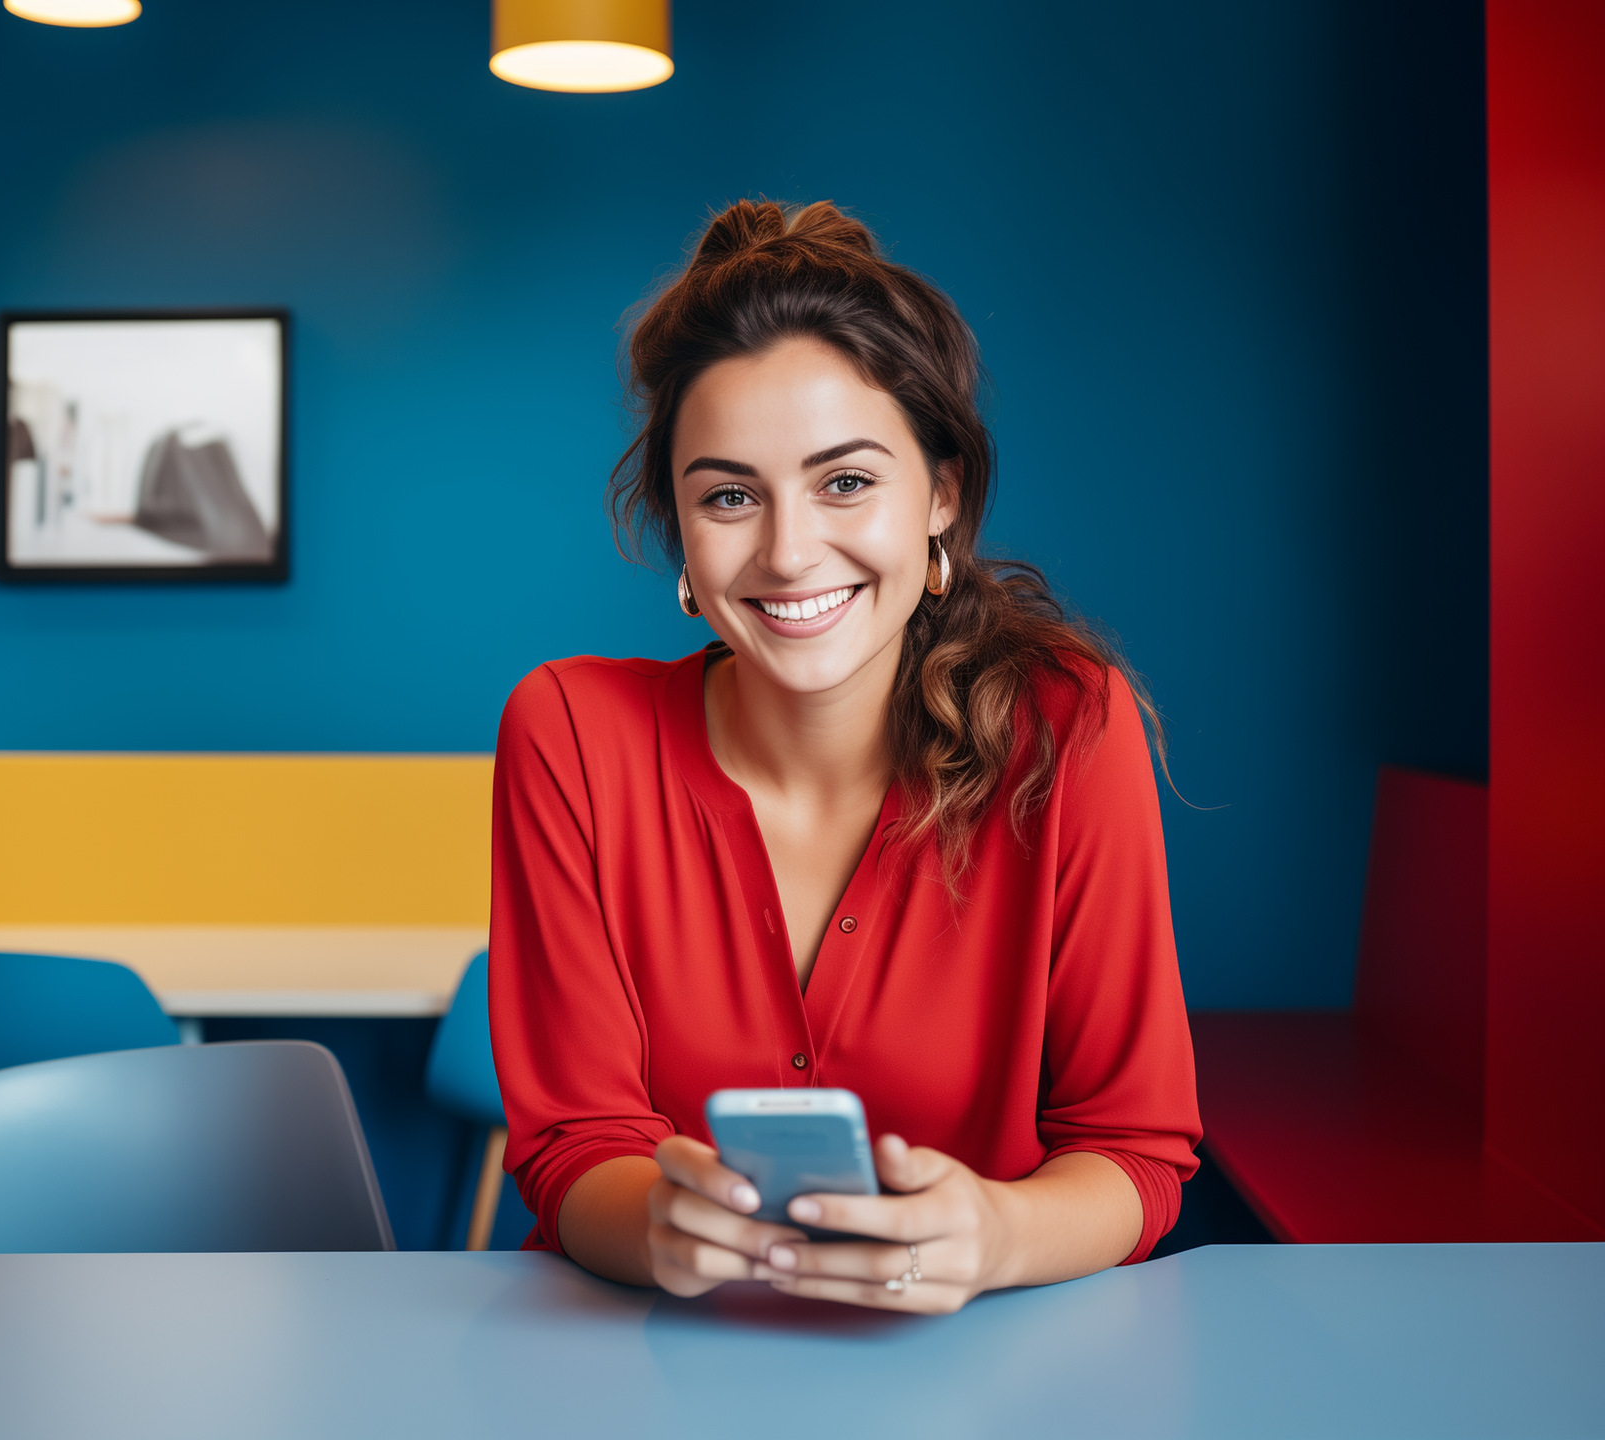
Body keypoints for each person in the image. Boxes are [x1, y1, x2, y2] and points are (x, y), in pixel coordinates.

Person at [489, 200, 1200, 1314]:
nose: (786, 550)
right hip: (639, 1366)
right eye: (729, 496)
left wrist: (999, 1234)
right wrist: (656, 1222)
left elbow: (1135, 1153)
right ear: (680, 532)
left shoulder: (1066, 729)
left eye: (847, 482)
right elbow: (574, 1146)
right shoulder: (572, 733)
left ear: (943, 496)